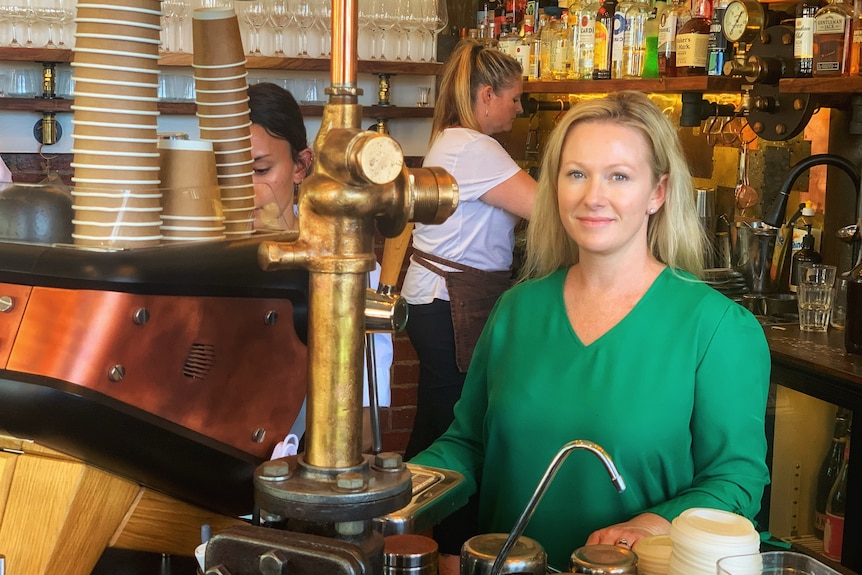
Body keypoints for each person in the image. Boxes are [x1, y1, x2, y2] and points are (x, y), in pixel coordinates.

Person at [410, 91, 771, 571]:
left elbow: (735, 479)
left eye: (619, 176)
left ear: (657, 193)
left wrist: (652, 524)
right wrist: (403, 487)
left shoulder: (718, 328)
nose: (592, 196)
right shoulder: (517, 310)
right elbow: (468, 442)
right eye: (575, 173)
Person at [399, 38, 538, 553]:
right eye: (514, 98)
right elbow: (547, 208)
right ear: (486, 95)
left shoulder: (453, 140)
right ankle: (444, 552)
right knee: (457, 433)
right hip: (449, 303)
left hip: (438, 301)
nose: (518, 108)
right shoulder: (476, 147)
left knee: (439, 427)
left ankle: (404, 546)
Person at [248, 82, 392, 452]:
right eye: (226, 172)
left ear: (301, 166)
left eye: (260, 170)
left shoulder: (341, 260)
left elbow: (369, 422)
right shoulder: (199, 255)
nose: (244, 191)